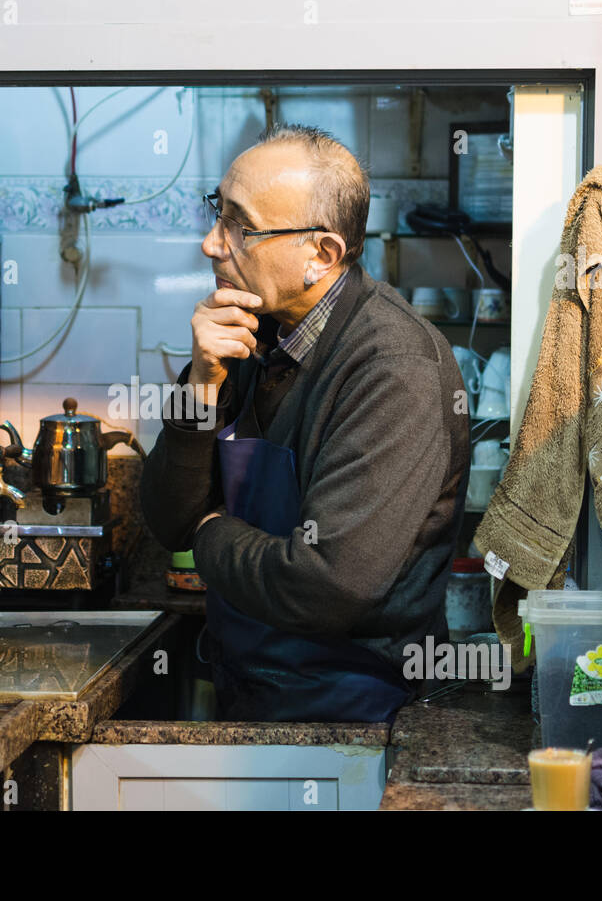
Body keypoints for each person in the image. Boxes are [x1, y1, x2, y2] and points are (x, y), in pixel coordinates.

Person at [140, 124, 470, 723]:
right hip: (248, 686)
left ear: (322, 255)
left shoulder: (393, 370)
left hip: (357, 711)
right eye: (218, 212)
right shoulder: (247, 333)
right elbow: (166, 517)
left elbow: (327, 585)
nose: (212, 244)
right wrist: (200, 388)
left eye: (242, 227)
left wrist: (207, 529)